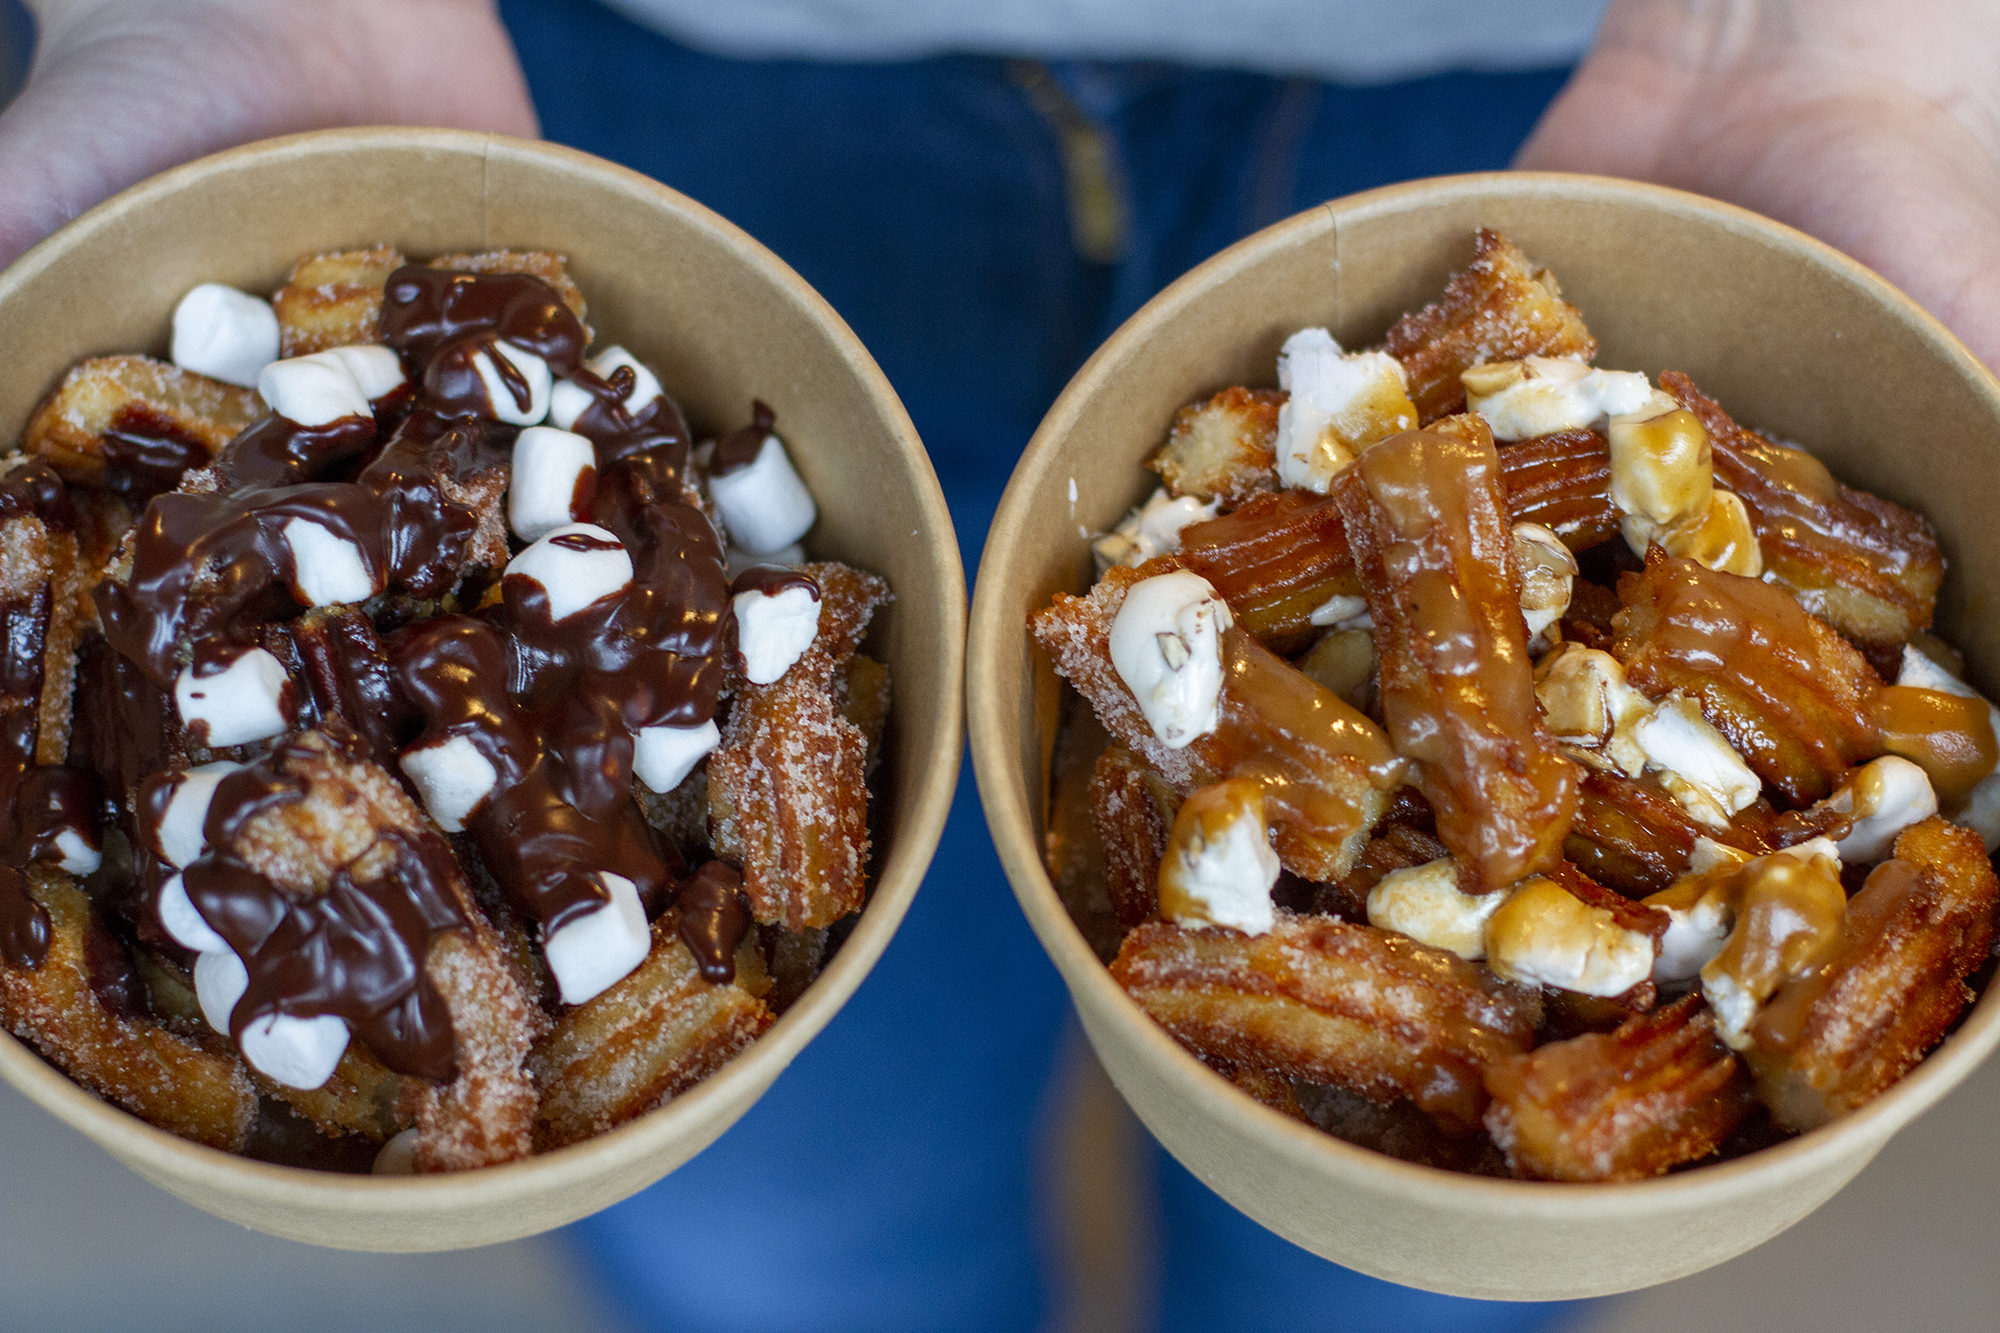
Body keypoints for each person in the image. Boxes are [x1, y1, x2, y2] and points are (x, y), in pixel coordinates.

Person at [1, 2, 1994, 1330]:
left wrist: (1858, 49)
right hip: (650, 87)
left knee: (1404, 1272)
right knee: (793, 1228)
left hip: (1544, 73)